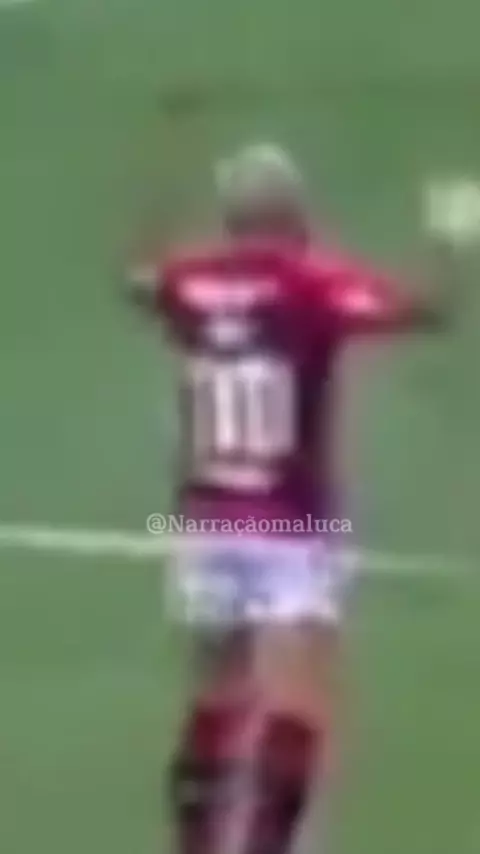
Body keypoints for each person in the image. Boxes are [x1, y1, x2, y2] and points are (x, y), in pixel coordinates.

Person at [128, 144, 466, 854]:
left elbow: (142, 280)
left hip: (206, 522)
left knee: (216, 692)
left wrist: (154, 182)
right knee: (297, 698)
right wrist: (448, 240)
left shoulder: (191, 282)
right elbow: (425, 311)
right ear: (291, 214)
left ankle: (195, 841)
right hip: (291, 526)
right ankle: (265, 843)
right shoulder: (311, 283)